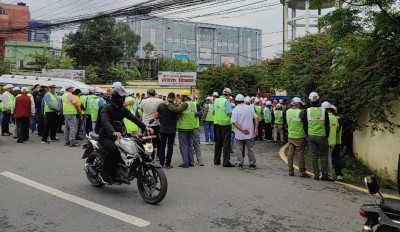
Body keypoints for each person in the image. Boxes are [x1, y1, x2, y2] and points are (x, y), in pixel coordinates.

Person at [97, 88, 152, 185]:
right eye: (121, 97)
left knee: (132, 147)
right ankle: (104, 173)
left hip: (120, 135)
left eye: (124, 97)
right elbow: (106, 122)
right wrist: (113, 131)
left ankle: (122, 168)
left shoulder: (122, 109)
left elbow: (134, 118)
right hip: (106, 136)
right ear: (116, 98)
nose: (123, 99)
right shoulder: (106, 108)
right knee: (114, 150)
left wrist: (146, 128)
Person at [166, 90, 196, 168]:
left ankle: (185, 163)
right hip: (191, 127)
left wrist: (168, 104)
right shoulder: (192, 103)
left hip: (183, 127)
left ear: (185, 97)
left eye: (182, 97)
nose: (181, 98)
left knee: (183, 146)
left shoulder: (185, 104)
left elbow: (177, 110)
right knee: (189, 145)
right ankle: (191, 162)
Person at [307, 92, 331, 181]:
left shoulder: (307, 111)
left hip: (311, 136)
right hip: (322, 136)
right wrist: (327, 135)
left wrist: (307, 134)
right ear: (319, 100)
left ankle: (316, 175)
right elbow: (327, 125)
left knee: (314, 156)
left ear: (310, 101)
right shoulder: (323, 111)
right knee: (324, 155)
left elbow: (305, 124)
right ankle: (324, 175)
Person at [286, 97, 311, 178]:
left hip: (290, 135)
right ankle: (302, 172)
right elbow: (305, 124)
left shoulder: (288, 111)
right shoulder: (301, 112)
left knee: (290, 154)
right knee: (300, 154)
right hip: (300, 136)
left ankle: (290, 171)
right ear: (298, 104)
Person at [231, 94, 258, 170]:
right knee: (251, 148)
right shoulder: (250, 108)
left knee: (239, 149)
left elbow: (234, 122)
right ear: (243, 100)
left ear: (236, 101)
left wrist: (242, 129)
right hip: (250, 133)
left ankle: (240, 163)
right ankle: (252, 164)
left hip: (239, 134)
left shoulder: (235, 109)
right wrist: (256, 129)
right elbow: (256, 119)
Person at [155, 92, 178, 168]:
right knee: (170, 146)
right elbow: (178, 117)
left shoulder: (161, 105)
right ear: (174, 98)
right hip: (172, 129)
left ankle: (161, 163)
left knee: (162, 146)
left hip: (163, 129)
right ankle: (168, 164)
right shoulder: (175, 106)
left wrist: (161, 117)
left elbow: (156, 116)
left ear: (167, 97)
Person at [213, 88, 235, 167]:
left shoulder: (216, 100)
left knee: (218, 143)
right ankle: (226, 162)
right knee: (226, 144)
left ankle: (216, 160)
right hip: (225, 124)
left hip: (216, 123)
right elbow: (229, 114)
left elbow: (213, 112)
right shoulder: (226, 101)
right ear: (228, 94)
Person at [140, 88, 163, 159]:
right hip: (156, 123)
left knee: (147, 139)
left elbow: (141, 110)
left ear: (148, 93)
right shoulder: (159, 101)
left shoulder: (143, 101)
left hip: (146, 124)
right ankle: (159, 154)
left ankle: (150, 154)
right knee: (157, 139)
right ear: (154, 93)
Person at [322, 101, 338, 179]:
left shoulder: (325, 117)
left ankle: (329, 174)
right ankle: (329, 174)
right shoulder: (335, 117)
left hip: (326, 140)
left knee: (326, 158)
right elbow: (337, 128)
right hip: (333, 141)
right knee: (329, 157)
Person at [331, 105, 344, 180]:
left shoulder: (338, 119)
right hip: (333, 141)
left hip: (335, 142)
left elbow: (337, 130)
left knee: (335, 158)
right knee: (334, 158)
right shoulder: (335, 119)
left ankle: (338, 174)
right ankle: (337, 174)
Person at [191, 98, 204, 166]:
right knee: (188, 144)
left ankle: (199, 159)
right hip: (186, 127)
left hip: (194, 126)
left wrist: (196, 113)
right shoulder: (183, 104)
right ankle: (190, 160)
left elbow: (201, 113)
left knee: (196, 143)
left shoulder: (195, 104)